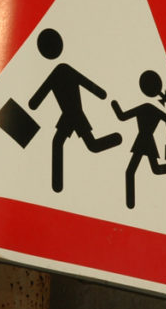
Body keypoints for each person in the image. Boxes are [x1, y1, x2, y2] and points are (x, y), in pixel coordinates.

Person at [28, 28, 122, 192]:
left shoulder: (61, 71)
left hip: (75, 114)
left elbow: (37, 100)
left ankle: (117, 138)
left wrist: (101, 93)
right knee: (64, 143)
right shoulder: (61, 70)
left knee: (88, 145)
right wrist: (101, 93)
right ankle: (56, 186)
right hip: (69, 115)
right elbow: (38, 98)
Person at [111, 70, 166, 210]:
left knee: (131, 171)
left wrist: (115, 105)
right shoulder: (152, 109)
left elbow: (122, 116)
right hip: (147, 140)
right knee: (154, 169)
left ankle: (130, 205)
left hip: (143, 140)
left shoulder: (145, 108)